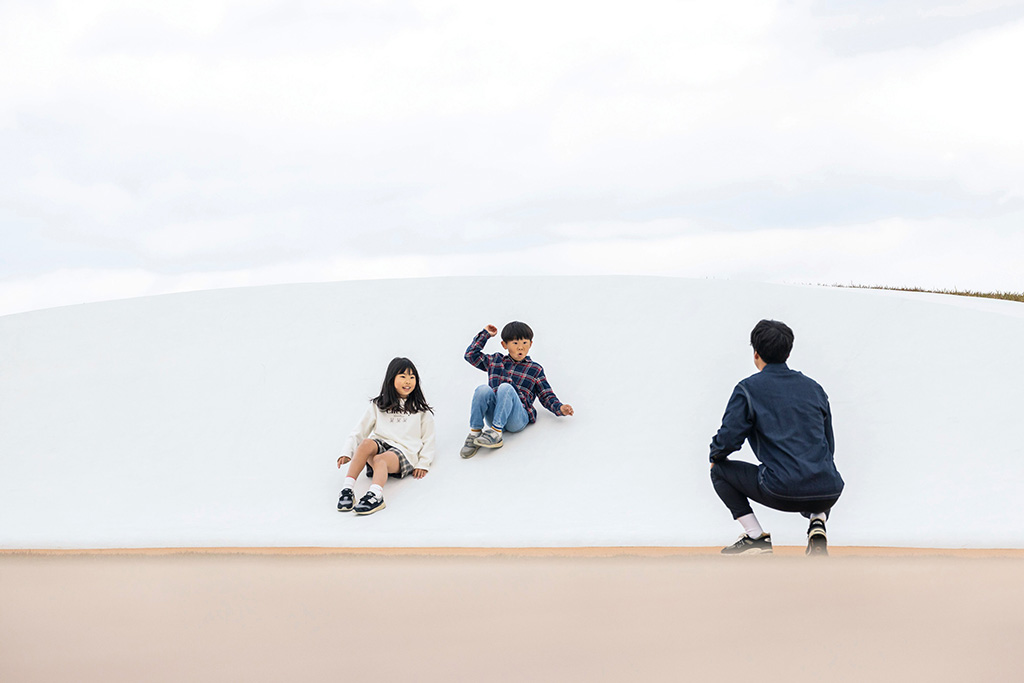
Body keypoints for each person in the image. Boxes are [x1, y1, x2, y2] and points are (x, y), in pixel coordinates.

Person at [708, 320, 844, 556]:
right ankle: (817, 522)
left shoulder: (748, 389)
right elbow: (828, 445)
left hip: (781, 490)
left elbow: (729, 438)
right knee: (818, 470)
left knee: (718, 470)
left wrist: (716, 454)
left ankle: (755, 537)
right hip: (828, 491)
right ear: (788, 352)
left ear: (756, 354)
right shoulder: (815, 388)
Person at [336, 357, 435, 515]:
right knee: (367, 443)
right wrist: (346, 452)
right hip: (381, 444)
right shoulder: (378, 405)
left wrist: (423, 463)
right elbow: (359, 431)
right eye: (402, 376)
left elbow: (429, 439)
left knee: (379, 459)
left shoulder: (420, 410)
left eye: (412, 377)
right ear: (391, 379)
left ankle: (375, 495)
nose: (408, 381)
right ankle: (347, 488)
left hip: (403, 452)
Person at [460, 321, 573, 458]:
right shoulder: (496, 360)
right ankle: (475, 433)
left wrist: (560, 408)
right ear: (504, 345)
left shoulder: (535, 369)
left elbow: (546, 394)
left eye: (524, 343)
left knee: (506, 387)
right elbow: (470, 355)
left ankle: (496, 433)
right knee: (482, 389)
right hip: (496, 413)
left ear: (530, 344)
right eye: (515, 344)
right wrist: (485, 334)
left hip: (517, 418)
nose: (520, 348)